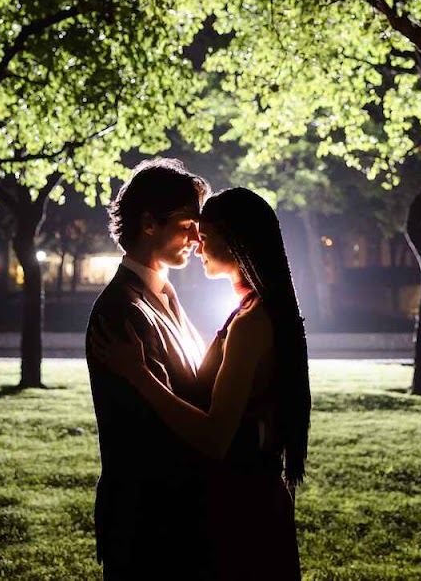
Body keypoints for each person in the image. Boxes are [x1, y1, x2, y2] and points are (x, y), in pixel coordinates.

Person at [92, 186, 309, 581]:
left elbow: (215, 435)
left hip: (241, 507)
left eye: (204, 235)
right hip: (232, 503)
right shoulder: (250, 312)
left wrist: (141, 376)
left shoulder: (251, 322)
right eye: (191, 228)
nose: (197, 244)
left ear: (236, 243)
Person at [85, 158, 214, 580]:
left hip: (174, 517)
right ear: (149, 224)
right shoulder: (121, 312)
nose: (198, 238)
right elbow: (148, 426)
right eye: (187, 224)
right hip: (148, 526)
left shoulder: (163, 296)